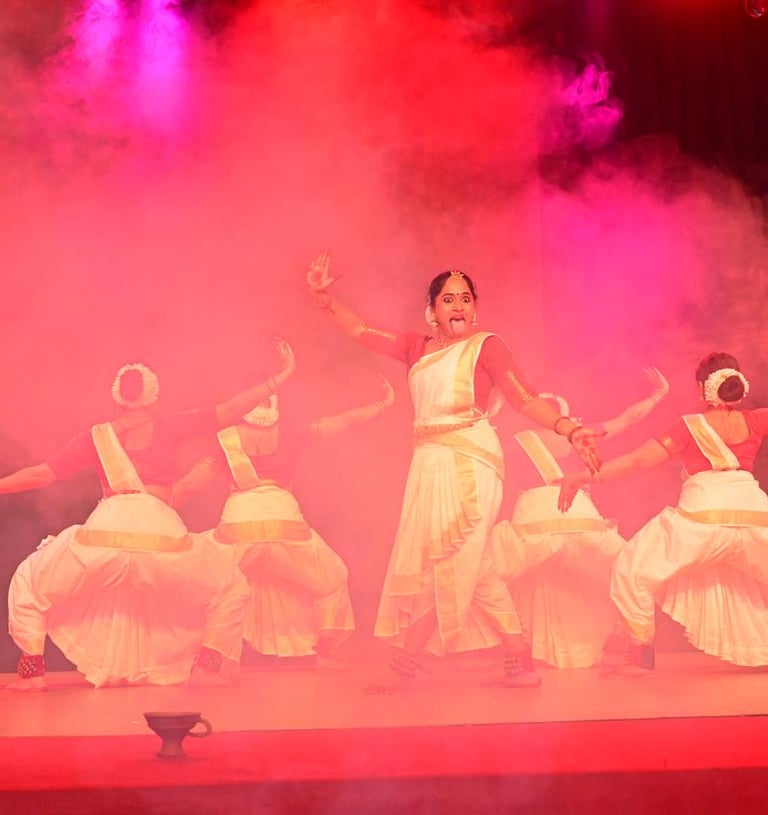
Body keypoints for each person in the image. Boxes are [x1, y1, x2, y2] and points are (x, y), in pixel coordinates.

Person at [306, 251, 603, 691]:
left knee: (448, 563)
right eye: (448, 300)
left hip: (470, 460)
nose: (458, 307)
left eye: (465, 299)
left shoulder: (486, 346)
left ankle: (405, 665)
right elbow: (360, 331)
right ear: (432, 311)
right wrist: (326, 299)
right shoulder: (417, 348)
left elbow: (523, 398)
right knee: (475, 567)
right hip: (428, 463)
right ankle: (521, 663)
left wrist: (569, 429)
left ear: (474, 308)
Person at [3, 339, 296, 691]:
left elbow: (40, 474)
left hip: (104, 537)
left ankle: (32, 674)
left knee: (31, 582)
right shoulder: (171, 427)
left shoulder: (97, 437)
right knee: (230, 590)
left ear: (117, 398)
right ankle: (206, 668)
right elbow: (230, 410)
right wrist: (278, 380)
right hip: (162, 537)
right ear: (153, 397)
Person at [558, 352, 768, 675]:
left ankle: (640, 656)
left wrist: (583, 476)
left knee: (632, 569)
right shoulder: (757, 420)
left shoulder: (687, 427)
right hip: (757, 519)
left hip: (702, 521)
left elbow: (638, 461)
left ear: (701, 390)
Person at [172, 376, 396, 667]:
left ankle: (208, 657)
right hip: (287, 524)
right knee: (331, 578)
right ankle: (325, 652)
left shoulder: (226, 441)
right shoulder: (292, 433)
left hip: (238, 526)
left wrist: (153, 509)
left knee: (212, 585)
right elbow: (340, 422)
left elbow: (189, 486)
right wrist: (381, 406)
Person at [491, 369, 669, 669]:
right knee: (622, 571)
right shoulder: (581, 435)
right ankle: (628, 639)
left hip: (535, 515)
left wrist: (493, 407)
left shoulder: (515, 442)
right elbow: (628, 420)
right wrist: (657, 395)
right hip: (577, 513)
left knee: (489, 574)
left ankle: (514, 648)